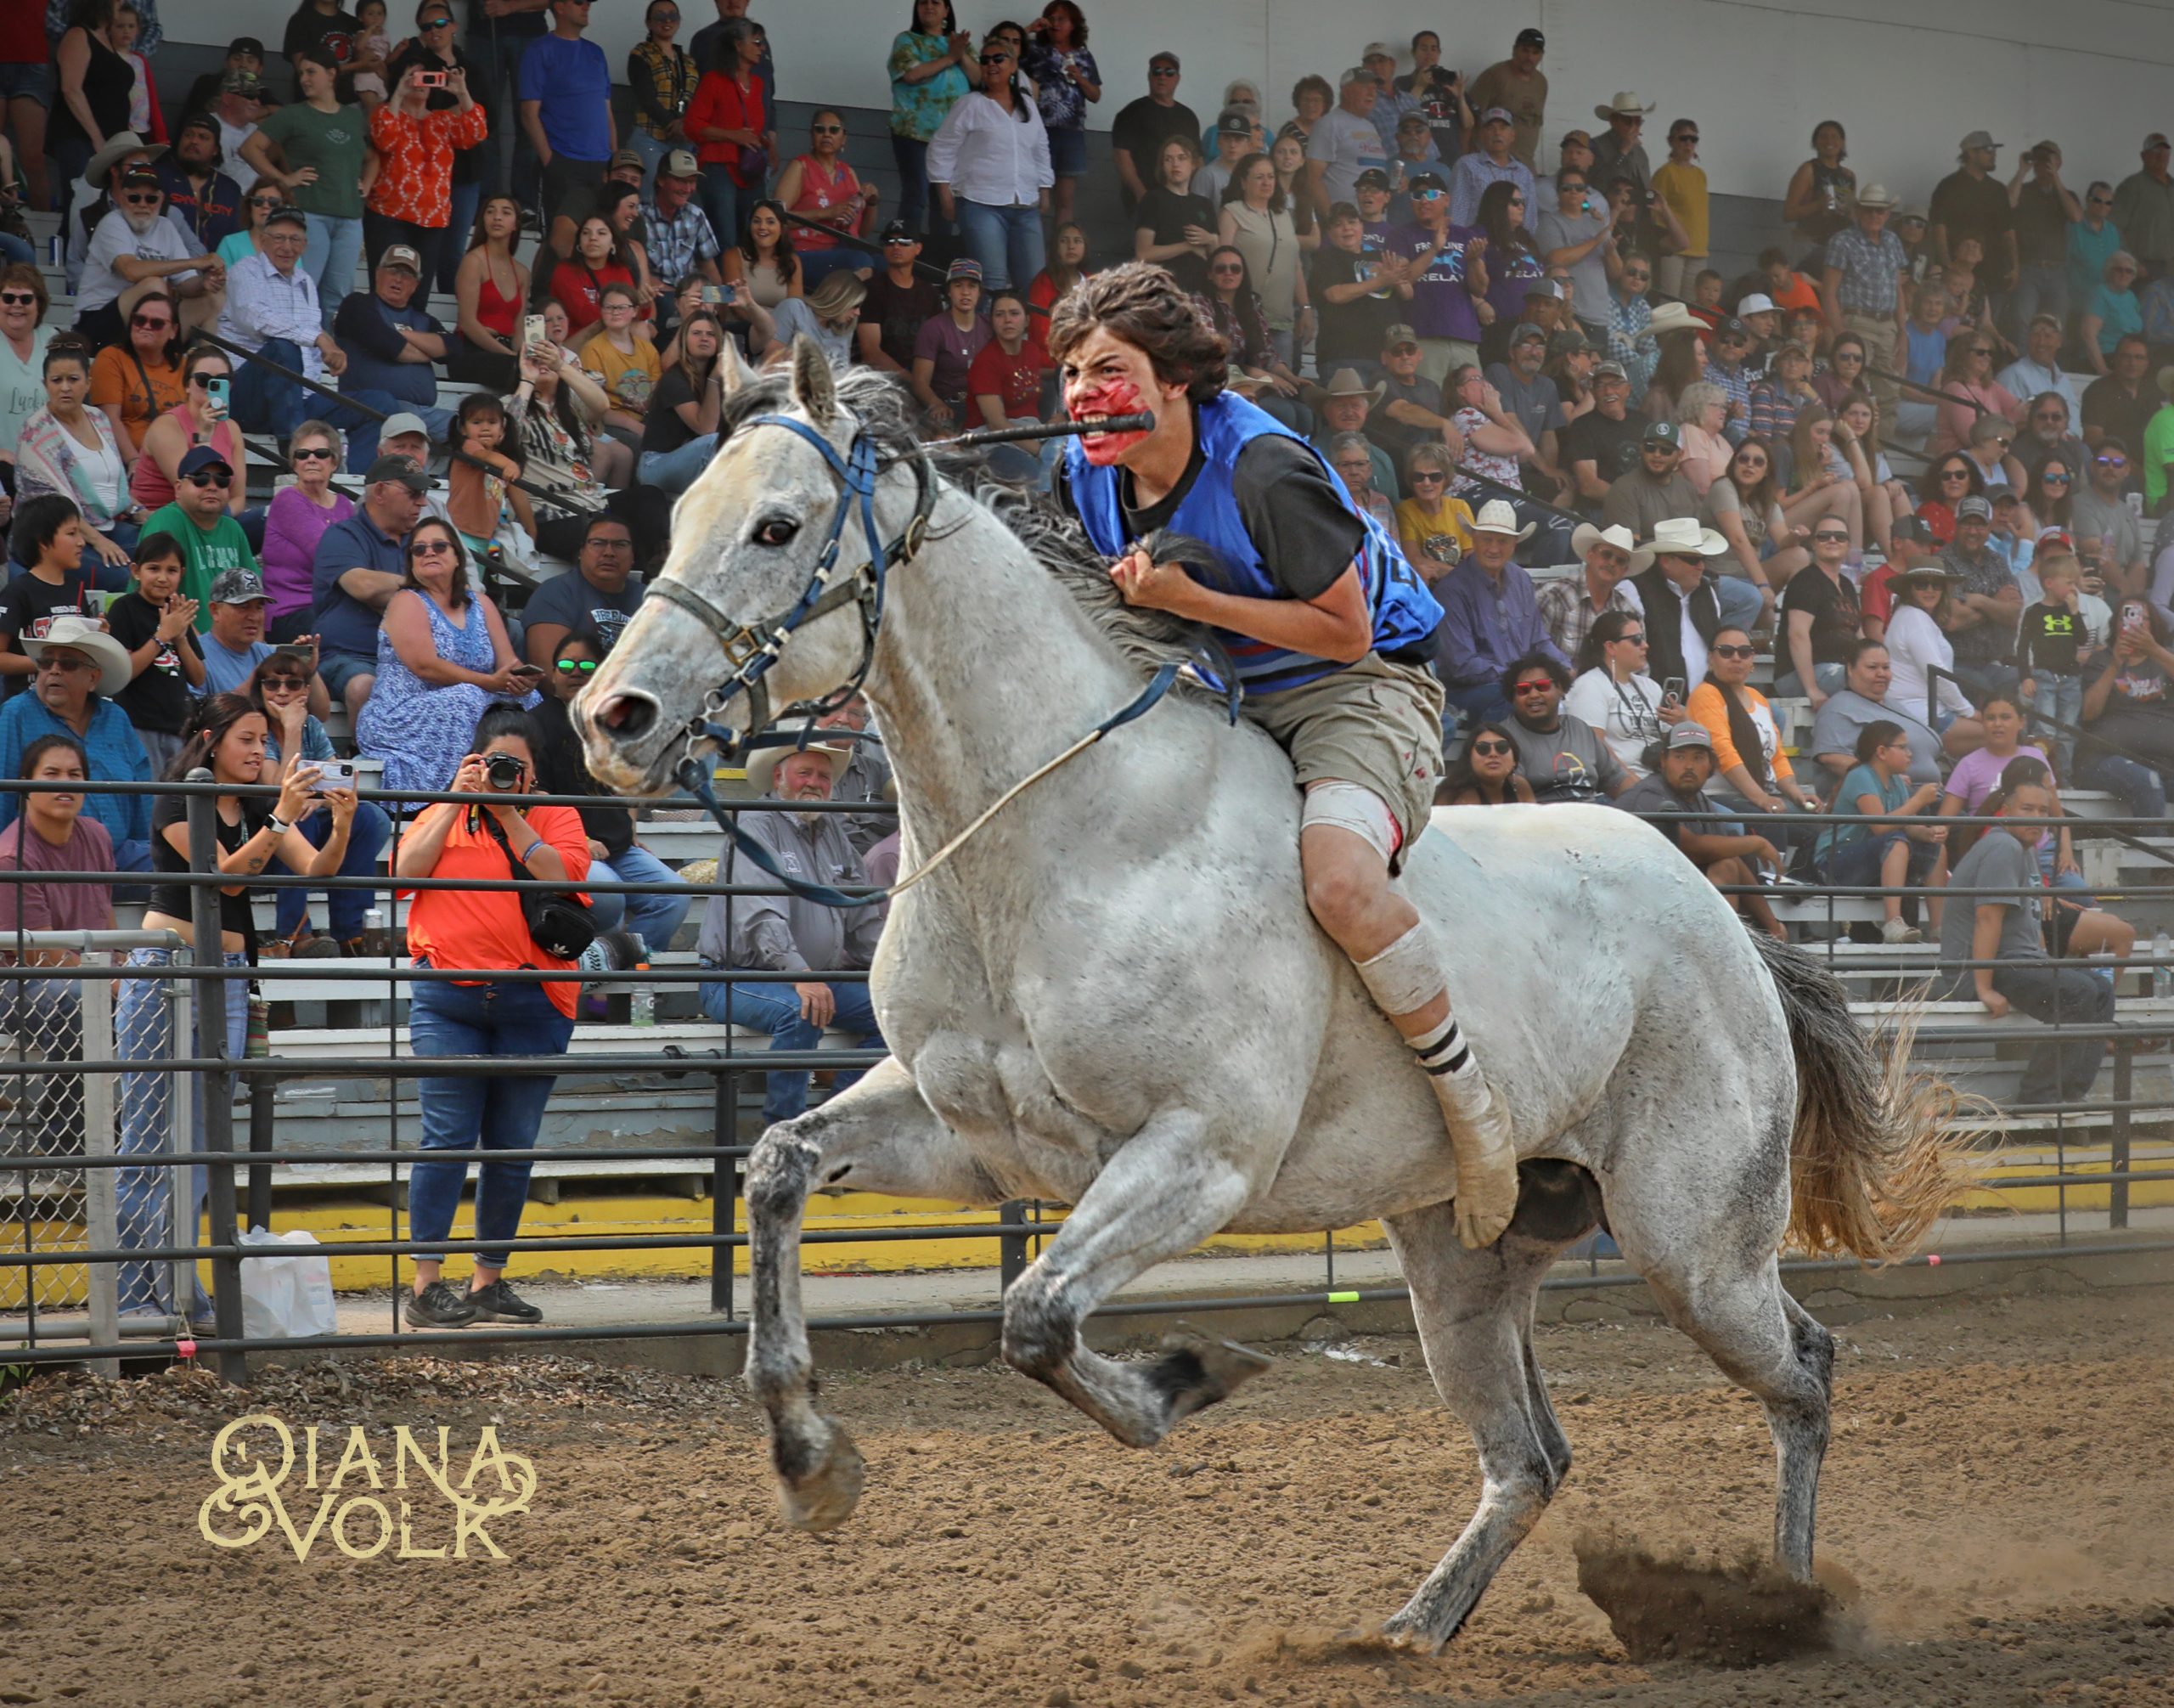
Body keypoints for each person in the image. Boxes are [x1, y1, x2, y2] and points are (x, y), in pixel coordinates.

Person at [1046, 261, 1521, 1249]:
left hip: (1358, 687)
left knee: (1341, 885)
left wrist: (1188, 602)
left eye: (1108, 370)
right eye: (1070, 375)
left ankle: (1473, 1107)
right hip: (1211, 682)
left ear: (1174, 378)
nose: (1083, 396)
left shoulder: (1265, 469)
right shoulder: (1078, 470)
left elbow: (1345, 633)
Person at [114, 692, 354, 1320]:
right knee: (147, 1137)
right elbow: (223, 878)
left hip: (227, 976)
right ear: (211, 739)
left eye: (266, 741)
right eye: (248, 738)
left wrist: (343, 821)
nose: (260, 752)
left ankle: (180, 1293)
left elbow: (318, 868)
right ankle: (136, 1297)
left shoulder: (256, 805)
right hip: (167, 972)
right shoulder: (180, 796)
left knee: (204, 1143)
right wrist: (279, 818)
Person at [391, 699, 587, 1329]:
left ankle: (487, 1281)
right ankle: (425, 1287)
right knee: (446, 1140)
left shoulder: (556, 814)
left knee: (512, 1147)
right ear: (473, 761)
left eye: (517, 768)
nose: (507, 775)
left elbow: (560, 877)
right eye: (495, 764)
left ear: (535, 774)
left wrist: (509, 815)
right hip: (449, 998)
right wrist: (456, 797)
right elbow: (404, 870)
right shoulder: (444, 810)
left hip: (536, 1002)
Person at [696, 723, 885, 1122]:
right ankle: (783, 1133)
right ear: (778, 776)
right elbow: (759, 912)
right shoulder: (755, 824)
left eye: (823, 776)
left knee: (898, 1010)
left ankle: (836, 1120)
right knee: (800, 1010)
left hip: (813, 975)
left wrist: (889, 971)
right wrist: (800, 972)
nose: (814, 783)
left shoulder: (834, 829)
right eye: (805, 773)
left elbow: (863, 913)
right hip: (738, 976)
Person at [1941, 776, 2113, 1106]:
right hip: (1986, 967)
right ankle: (2040, 1095)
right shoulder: (2002, 847)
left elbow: (2030, 923)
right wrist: (1983, 987)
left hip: (2018, 961)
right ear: (2005, 811)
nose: (2036, 817)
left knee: (2101, 990)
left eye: (2043, 811)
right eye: (2027, 809)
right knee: (2078, 993)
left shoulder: (2025, 849)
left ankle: (2070, 1093)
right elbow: (1987, 918)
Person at [357, 516, 536, 791]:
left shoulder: (481, 603)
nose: (428, 552)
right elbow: (424, 666)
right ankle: (457, 792)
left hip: (469, 697)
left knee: (532, 699)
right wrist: (488, 682)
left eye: (439, 546)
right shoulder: (407, 601)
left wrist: (521, 678)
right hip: (401, 712)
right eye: (419, 549)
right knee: (466, 697)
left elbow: (508, 661)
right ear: (412, 562)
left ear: (457, 557)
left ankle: (524, 784)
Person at [0, 611, 149, 871]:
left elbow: (142, 790)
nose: (53, 671)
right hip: (48, 857)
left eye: (67, 664)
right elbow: (3, 790)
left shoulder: (116, 717)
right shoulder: (17, 713)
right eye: (46, 663)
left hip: (121, 858)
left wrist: (147, 846)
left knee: (179, 864)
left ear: (93, 678)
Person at [242, 47, 372, 327]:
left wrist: (368, 183)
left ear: (331, 74)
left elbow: (373, 158)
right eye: (301, 73)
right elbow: (250, 148)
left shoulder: (352, 118)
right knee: (305, 286)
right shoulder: (293, 114)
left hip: (350, 216)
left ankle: (328, 361)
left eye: (311, 72)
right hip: (310, 213)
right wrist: (283, 180)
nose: (304, 79)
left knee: (338, 294)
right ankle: (302, 354)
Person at [217, 203, 346, 443]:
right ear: (263, 241)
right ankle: (294, 452)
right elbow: (256, 319)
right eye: (279, 238)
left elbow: (313, 357)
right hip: (247, 398)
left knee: (378, 403)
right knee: (284, 348)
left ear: (304, 245)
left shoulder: (305, 281)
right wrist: (318, 337)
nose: (287, 247)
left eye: (295, 239)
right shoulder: (245, 271)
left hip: (298, 400)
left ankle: (365, 477)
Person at [12, 342, 139, 583]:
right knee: (123, 577)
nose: (65, 388)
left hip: (107, 526)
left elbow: (114, 483)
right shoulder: (36, 431)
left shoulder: (98, 418)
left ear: (88, 383)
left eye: (73, 379)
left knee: (159, 551)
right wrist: (99, 542)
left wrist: (138, 511)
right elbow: (56, 507)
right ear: (45, 385)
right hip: (53, 538)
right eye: (57, 380)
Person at [308, 450, 424, 715]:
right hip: (348, 656)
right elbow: (364, 587)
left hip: (412, 659)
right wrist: (421, 587)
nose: (423, 502)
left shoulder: (422, 542)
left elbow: (450, 592)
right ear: (380, 492)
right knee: (365, 687)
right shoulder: (342, 535)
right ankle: (365, 756)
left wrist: (395, 593)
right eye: (414, 493)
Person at [1433, 499, 1563, 728]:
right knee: (1513, 698)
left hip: (1517, 684)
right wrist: (1518, 678)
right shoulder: (1452, 590)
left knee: (1555, 691)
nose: (1493, 548)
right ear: (1473, 540)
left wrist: (1563, 667)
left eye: (1502, 541)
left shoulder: (1521, 579)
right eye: (1487, 540)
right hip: (1466, 692)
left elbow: (1538, 639)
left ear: (1514, 545)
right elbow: (1462, 665)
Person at [72, 163, 222, 347]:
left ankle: (205, 369)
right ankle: (155, 357)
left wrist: (204, 283)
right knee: (154, 285)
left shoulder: (166, 227)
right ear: (122, 198)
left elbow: (186, 285)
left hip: (147, 323)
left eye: (150, 199)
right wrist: (194, 262)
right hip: (95, 326)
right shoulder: (112, 222)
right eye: (134, 198)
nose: (142, 205)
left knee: (213, 298)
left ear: (161, 200)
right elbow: (130, 271)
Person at [520, 0, 614, 259]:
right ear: (559, 6)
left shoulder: (596, 53)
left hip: (601, 163)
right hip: (564, 161)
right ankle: (545, 297)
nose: (586, 7)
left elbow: (607, 113)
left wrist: (614, 161)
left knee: (600, 237)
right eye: (579, 2)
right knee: (559, 242)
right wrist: (550, 161)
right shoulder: (540, 50)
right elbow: (529, 113)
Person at [105, 531, 203, 771]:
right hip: (139, 724)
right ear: (136, 571)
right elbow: (124, 672)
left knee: (173, 803)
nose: (162, 578)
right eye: (154, 569)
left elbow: (199, 677)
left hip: (178, 725)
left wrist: (180, 639)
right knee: (149, 798)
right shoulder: (124, 608)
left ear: (182, 574)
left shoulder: (177, 613)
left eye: (171, 570)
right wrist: (162, 636)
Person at [138, 444, 256, 628]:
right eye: (201, 480)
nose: (212, 487)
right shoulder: (167, 522)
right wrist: (200, 650)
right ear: (178, 488)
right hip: (178, 644)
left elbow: (254, 598)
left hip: (230, 647)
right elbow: (156, 601)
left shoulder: (233, 529)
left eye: (221, 480)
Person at [1563, 607, 1681, 780]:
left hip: (1662, 784)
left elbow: (1674, 745)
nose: (1645, 645)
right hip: (1618, 791)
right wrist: (1634, 785)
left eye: (1644, 639)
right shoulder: (1589, 686)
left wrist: (1682, 722)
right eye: (1637, 640)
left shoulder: (1651, 686)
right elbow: (1595, 749)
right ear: (1610, 647)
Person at [1499, 650, 1630, 803]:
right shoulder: (1503, 738)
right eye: (1523, 689)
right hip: (1541, 822)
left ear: (1560, 688)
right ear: (1512, 697)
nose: (1533, 695)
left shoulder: (1579, 729)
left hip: (1592, 816)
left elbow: (1618, 782)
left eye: (1542, 686)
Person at [887, 0, 973, 235]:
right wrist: (950, 58)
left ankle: (938, 260)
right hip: (914, 133)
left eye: (936, 2)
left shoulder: (958, 44)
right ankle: (905, 254)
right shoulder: (906, 40)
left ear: (947, 10)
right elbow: (912, 74)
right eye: (923, 2)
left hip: (952, 139)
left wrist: (960, 54)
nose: (929, 6)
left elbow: (979, 79)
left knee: (944, 201)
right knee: (916, 195)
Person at [0, 498, 99, 692]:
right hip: (29, 700)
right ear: (43, 542)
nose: (81, 542)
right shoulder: (18, 591)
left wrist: (98, 637)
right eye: (72, 533)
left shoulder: (77, 588)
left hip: (70, 701)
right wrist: (49, 663)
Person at [775, 110, 878, 287]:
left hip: (845, 249)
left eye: (834, 130)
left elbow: (863, 232)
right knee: (859, 261)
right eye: (820, 129)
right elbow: (775, 219)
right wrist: (826, 213)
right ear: (812, 135)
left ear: (843, 138)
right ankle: (838, 309)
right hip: (806, 252)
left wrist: (873, 203)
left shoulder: (848, 172)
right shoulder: (801, 167)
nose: (826, 135)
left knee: (885, 263)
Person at [1773, 513, 1860, 703]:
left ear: (1848, 545)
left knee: (1883, 679)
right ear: (1813, 543)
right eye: (1824, 536)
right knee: (1864, 679)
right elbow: (1797, 635)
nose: (1832, 540)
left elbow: (1859, 634)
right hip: (1801, 674)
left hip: (1840, 670)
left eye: (1840, 537)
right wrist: (1811, 688)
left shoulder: (1846, 585)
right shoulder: (1806, 581)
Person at [624, 0, 697, 196]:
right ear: (648, 23)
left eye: (672, 15)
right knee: (651, 197)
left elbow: (697, 98)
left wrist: (686, 124)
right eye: (659, 16)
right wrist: (673, 124)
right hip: (650, 136)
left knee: (682, 199)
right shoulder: (641, 53)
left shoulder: (688, 60)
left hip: (683, 139)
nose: (667, 20)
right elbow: (646, 97)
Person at [1130, 133, 1214, 297]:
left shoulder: (1204, 204)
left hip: (1201, 290)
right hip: (1164, 290)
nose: (1175, 164)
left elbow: (1216, 251)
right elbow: (1144, 253)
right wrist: (1187, 246)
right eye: (1168, 159)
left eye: (1182, 158)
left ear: (1194, 164)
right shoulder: (1153, 199)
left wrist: (1210, 240)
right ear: (1162, 166)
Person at [2074, 437, 2149, 595]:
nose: (2110, 467)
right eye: (2103, 462)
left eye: (2117, 463)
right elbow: (2101, 560)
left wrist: (2136, 602)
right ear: (2093, 467)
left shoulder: (2128, 512)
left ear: (2127, 470)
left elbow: (2137, 564)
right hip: (2094, 590)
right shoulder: (2080, 504)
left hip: (2123, 594)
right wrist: (2127, 596)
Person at [1467, 28, 1546, 170]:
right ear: (1515, 50)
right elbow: (1469, 119)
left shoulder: (1541, 82)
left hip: (1526, 165)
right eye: (1525, 50)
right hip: (1492, 164)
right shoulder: (1495, 75)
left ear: (1541, 55)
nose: (1530, 57)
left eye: (1535, 53)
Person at [2110, 134, 2174, 285]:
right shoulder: (2131, 187)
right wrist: (2131, 262)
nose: (2161, 156)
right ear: (2143, 156)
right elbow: (2114, 228)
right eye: (2155, 151)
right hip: (2144, 270)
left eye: (2165, 151)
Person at [1437, 720, 1535, 806]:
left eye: (1502, 747)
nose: (1493, 754)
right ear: (1469, 758)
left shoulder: (1520, 786)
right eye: (1483, 748)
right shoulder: (1458, 796)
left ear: (1514, 760)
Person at [2081, 252, 2145, 377]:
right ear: (2109, 273)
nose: (2124, 274)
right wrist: (2102, 370)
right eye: (2119, 270)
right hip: (2109, 357)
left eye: (2129, 271)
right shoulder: (2100, 293)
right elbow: (2088, 334)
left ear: (2133, 276)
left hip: (2129, 358)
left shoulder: (2130, 297)